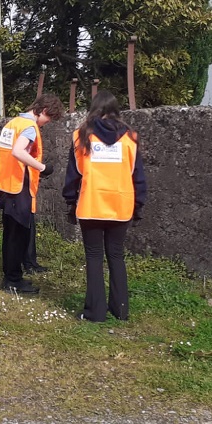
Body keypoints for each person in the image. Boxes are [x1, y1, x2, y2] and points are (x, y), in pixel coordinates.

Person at [62, 90, 148, 322]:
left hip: (91, 203)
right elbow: (137, 175)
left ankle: (95, 312)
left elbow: (73, 174)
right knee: (116, 256)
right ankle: (121, 309)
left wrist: (70, 201)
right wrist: (138, 205)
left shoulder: (81, 136)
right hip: (121, 204)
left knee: (94, 257)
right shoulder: (130, 138)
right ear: (115, 110)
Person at [0, 93, 64, 295]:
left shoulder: (12, 123)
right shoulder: (29, 127)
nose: (47, 123)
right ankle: (13, 280)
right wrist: (42, 167)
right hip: (18, 187)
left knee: (10, 235)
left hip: (6, 186)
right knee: (17, 236)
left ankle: (11, 277)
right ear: (44, 111)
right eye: (49, 118)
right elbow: (18, 151)